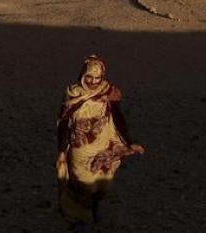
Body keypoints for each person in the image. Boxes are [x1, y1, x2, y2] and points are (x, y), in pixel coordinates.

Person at [56, 55, 144, 230]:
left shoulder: (108, 92)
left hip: (102, 144)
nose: (94, 81)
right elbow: (64, 123)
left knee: (101, 183)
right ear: (83, 75)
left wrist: (129, 142)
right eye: (90, 77)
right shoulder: (73, 93)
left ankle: (93, 210)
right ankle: (80, 220)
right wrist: (61, 150)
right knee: (81, 184)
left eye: (98, 78)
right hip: (79, 148)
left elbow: (119, 119)